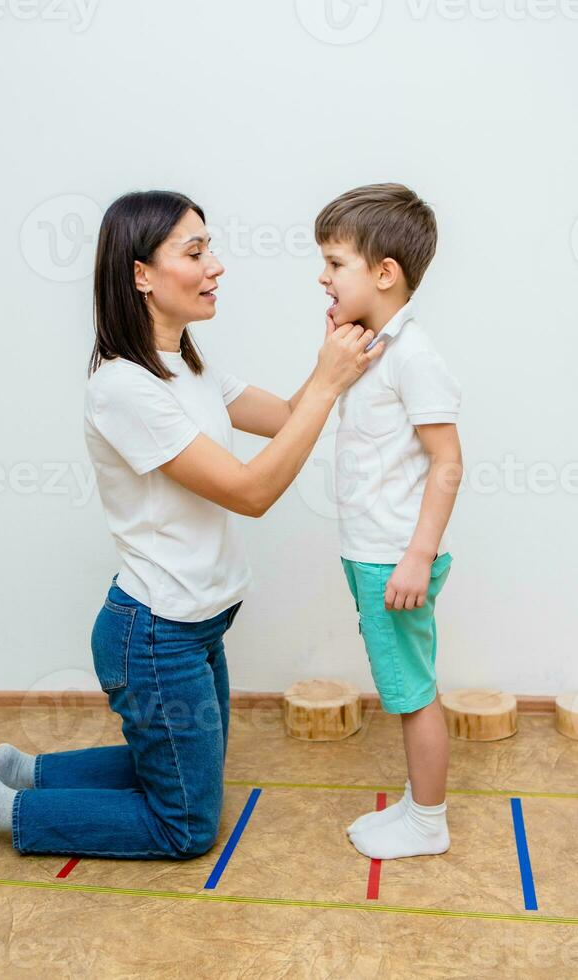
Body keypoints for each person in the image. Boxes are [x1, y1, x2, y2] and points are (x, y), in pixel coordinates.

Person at [0, 190, 384, 857]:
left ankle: (23, 769)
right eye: (195, 252)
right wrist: (330, 384)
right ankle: (6, 806)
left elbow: (288, 418)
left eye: (210, 248)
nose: (216, 266)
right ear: (141, 274)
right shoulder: (123, 388)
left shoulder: (191, 365)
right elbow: (251, 492)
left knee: (184, 767)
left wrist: (328, 369)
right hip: (154, 635)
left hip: (198, 625)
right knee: (186, 826)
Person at [315, 183, 463, 860]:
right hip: (370, 552)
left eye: (335, 261)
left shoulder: (413, 355)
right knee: (404, 684)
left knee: (410, 693)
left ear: (384, 274)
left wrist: (416, 556)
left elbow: (448, 464)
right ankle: (418, 803)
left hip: (393, 559)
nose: (323, 275)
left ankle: (427, 823)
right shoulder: (373, 346)